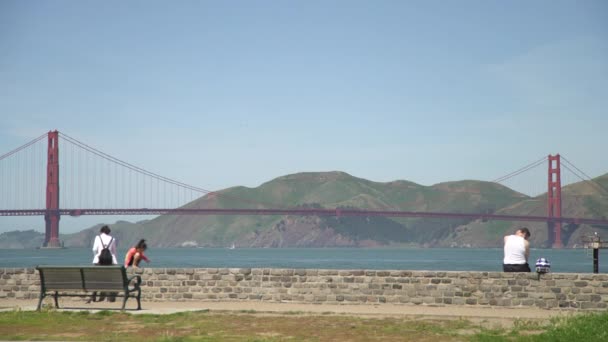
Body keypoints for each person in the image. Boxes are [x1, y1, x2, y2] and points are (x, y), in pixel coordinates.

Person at [88, 225, 118, 303]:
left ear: (101, 231)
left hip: (98, 262)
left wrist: (97, 256)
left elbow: (94, 249)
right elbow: (114, 252)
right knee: (108, 280)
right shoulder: (113, 239)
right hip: (109, 262)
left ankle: (93, 296)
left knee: (97, 279)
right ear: (109, 232)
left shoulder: (98, 238)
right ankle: (109, 298)